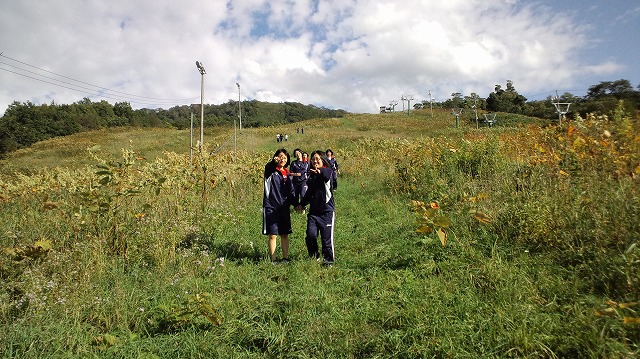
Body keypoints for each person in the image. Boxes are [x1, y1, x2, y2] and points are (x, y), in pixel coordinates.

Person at [296, 150, 336, 267]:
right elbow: (309, 193)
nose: (315, 161)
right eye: (313, 159)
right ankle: (315, 256)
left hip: (327, 212)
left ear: (323, 160)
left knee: (326, 240)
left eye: (317, 159)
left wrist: (320, 171)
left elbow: (327, 173)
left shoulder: (327, 172)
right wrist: (301, 204)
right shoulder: (312, 176)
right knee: (310, 235)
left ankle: (328, 261)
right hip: (314, 213)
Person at [263, 148, 298, 263]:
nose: (283, 159)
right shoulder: (270, 171)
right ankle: (273, 260)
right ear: (276, 157)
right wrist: (274, 162)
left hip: (284, 208)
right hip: (271, 207)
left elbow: (291, 192)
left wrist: (297, 204)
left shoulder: (287, 173)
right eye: (280, 156)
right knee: (273, 234)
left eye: (285, 157)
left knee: (284, 234)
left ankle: (285, 258)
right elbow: (268, 167)